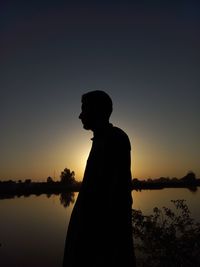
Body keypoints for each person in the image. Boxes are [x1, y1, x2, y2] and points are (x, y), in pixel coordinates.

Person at [63, 90, 136, 267]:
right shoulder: (102, 140)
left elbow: (116, 197)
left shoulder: (115, 139)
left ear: (97, 110)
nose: (80, 115)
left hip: (101, 243)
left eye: (84, 109)